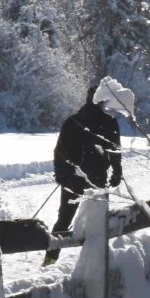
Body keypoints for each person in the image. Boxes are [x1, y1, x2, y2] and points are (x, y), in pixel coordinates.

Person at [44, 88, 122, 266]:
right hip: (97, 179)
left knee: (64, 220)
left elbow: (59, 151)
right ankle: (95, 263)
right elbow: (114, 151)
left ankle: (50, 260)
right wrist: (117, 172)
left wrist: (62, 175)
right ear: (103, 101)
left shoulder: (72, 121)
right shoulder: (109, 122)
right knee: (97, 222)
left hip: (72, 179)